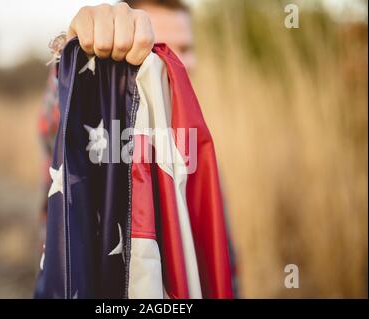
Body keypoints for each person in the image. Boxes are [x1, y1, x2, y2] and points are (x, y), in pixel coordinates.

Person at [37, 0, 238, 297]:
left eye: (187, 48)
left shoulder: (187, 126)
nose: (183, 61)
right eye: (162, 47)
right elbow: (53, 124)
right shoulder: (101, 115)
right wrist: (73, 55)